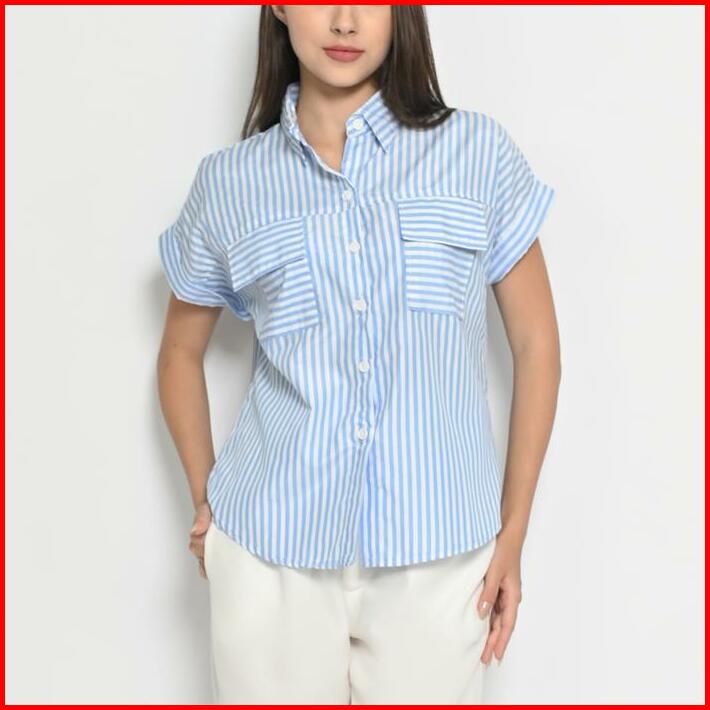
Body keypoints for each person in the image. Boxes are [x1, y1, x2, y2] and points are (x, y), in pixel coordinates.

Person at [156, 5, 560, 705]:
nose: (345, 21)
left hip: (441, 554)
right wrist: (204, 500)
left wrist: (514, 533)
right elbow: (178, 354)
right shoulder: (230, 183)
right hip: (269, 553)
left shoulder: (477, 153)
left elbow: (537, 345)